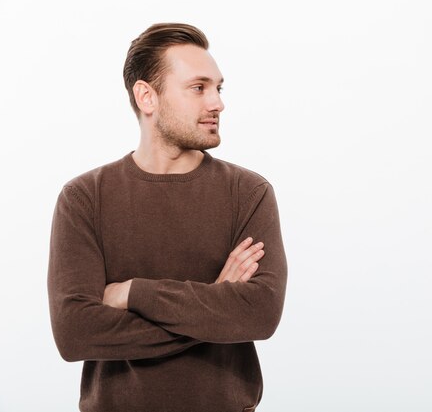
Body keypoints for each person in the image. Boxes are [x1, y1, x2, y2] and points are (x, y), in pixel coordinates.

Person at [47, 22, 288, 412]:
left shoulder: (249, 193)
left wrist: (132, 294)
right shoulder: (83, 198)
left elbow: (258, 314)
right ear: (147, 97)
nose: (217, 103)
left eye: (218, 87)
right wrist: (215, 305)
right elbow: (75, 333)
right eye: (198, 88)